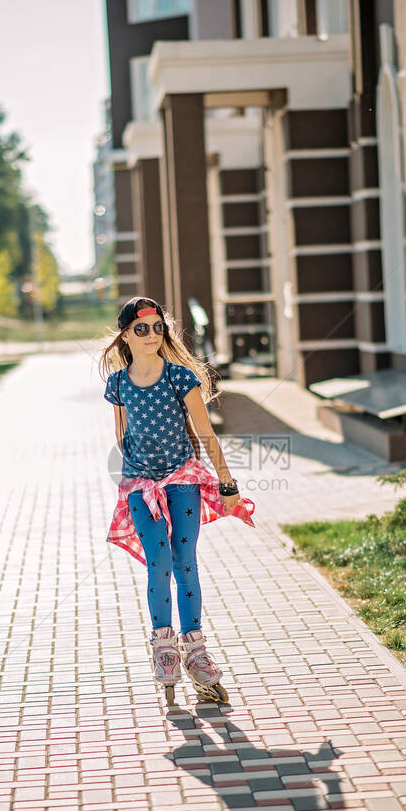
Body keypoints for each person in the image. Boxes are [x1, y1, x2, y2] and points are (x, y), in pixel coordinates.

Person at [98, 296, 255, 707]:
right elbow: (121, 434)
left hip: (181, 478)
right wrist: (134, 475)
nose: (152, 335)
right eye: (141, 328)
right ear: (126, 336)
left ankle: (197, 652)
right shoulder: (117, 384)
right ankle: (165, 649)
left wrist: (227, 482)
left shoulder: (180, 378)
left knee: (184, 560)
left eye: (157, 327)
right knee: (159, 562)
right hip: (141, 486)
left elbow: (205, 433)